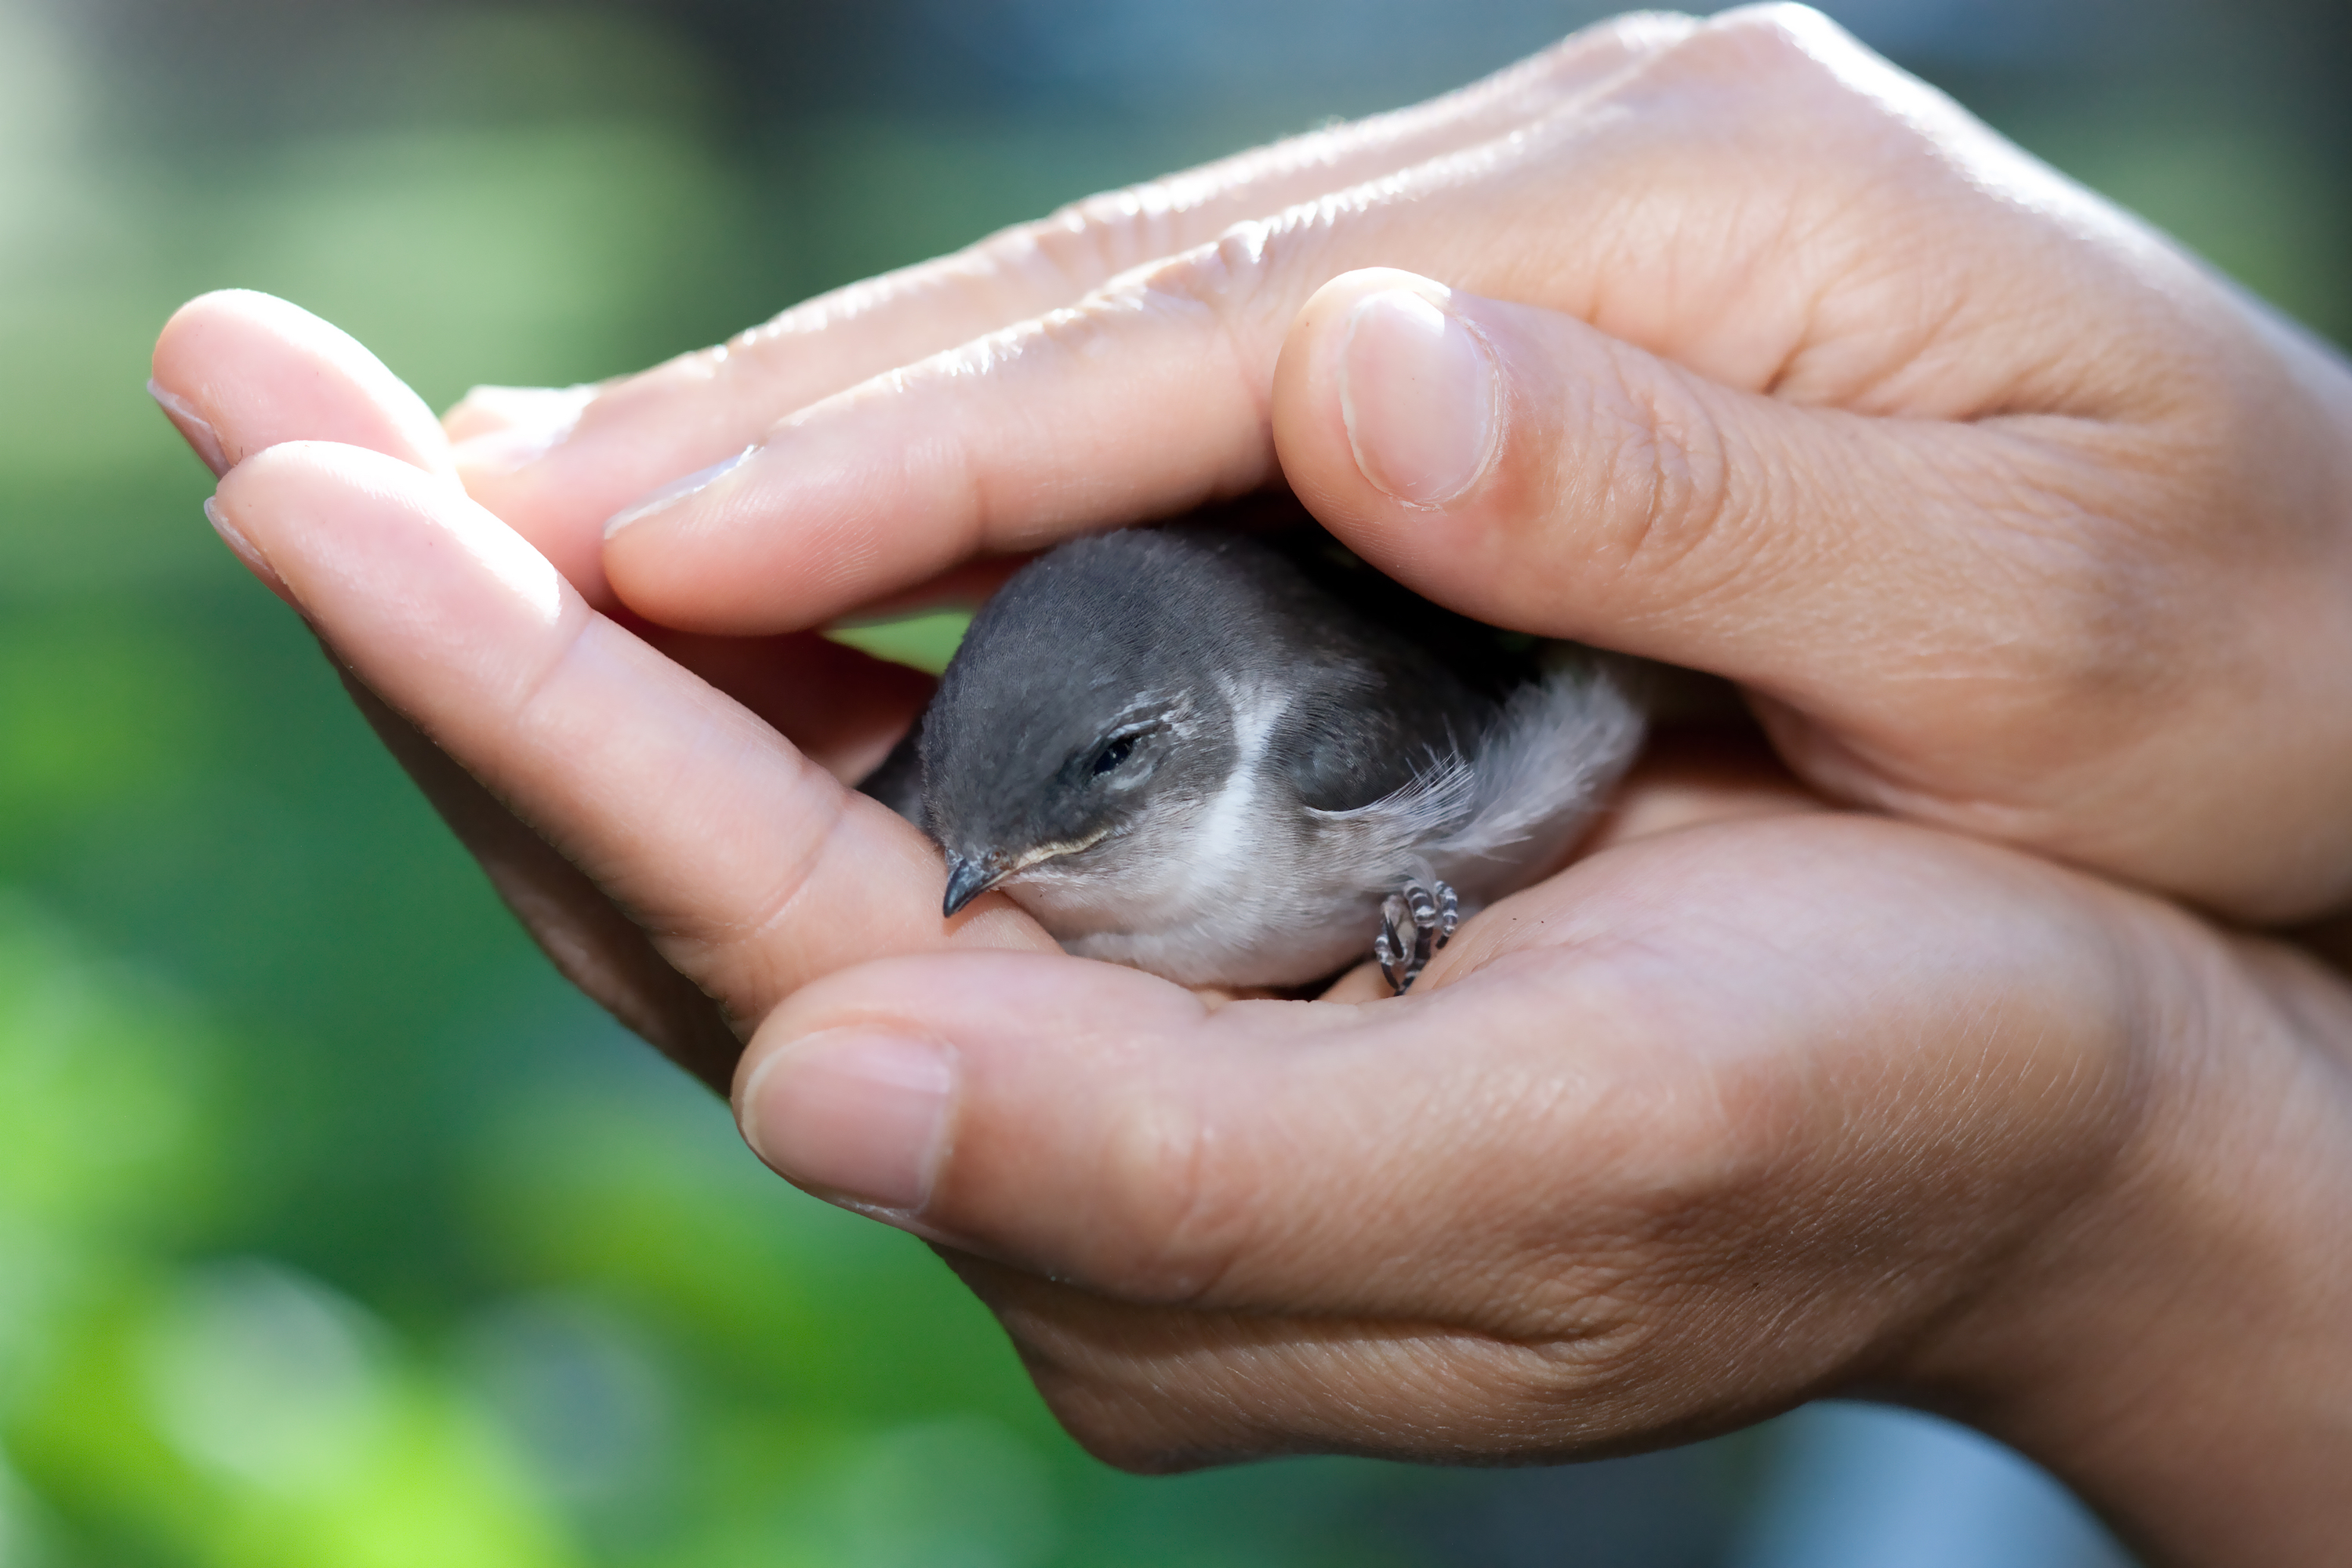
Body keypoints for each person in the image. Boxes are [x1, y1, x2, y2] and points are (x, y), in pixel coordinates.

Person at [148, 7, 2351, 1560]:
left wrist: (2150, 1187)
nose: (979, 875)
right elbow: (982, 804)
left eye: (1065, 813)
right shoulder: (970, 809)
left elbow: (1552, 699)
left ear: (1201, 745)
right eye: (967, 828)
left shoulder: (1349, 743)